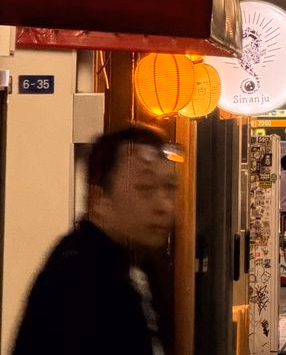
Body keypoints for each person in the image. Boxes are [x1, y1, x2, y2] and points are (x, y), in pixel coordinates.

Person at [13, 124, 177, 355]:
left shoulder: (139, 266)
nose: (164, 206)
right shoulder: (74, 278)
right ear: (100, 199)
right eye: (145, 188)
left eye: (170, 187)